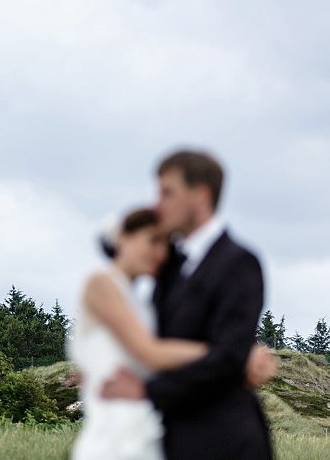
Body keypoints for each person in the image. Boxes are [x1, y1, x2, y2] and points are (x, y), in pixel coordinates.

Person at [100, 150, 274, 460]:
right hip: (171, 439)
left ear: (201, 195)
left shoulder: (239, 263)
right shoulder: (169, 267)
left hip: (225, 442)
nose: (157, 204)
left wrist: (146, 391)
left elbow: (228, 358)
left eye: (167, 193)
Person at [71, 207, 208, 460]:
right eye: (153, 240)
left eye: (166, 244)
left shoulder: (143, 303)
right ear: (123, 237)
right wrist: (228, 352)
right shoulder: (100, 284)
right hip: (110, 440)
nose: (160, 252)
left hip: (145, 433)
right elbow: (149, 352)